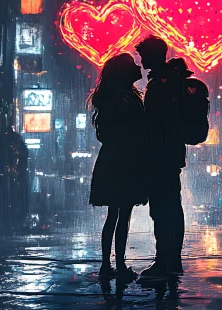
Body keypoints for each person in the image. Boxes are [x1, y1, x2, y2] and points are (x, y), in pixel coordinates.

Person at [135, 36, 191, 278]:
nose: (141, 60)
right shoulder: (171, 80)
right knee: (171, 208)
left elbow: (155, 123)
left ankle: (164, 260)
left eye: (144, 55)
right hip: (170, 155)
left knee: (162, 209)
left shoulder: (162, 83)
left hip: (160, 156)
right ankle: (171, 259)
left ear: (154, 55)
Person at [88, 53, 148, 279]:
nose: (138, 68)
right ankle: (117, 265)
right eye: (133, 66)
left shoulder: (116, 96)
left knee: (115, 214)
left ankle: (108, 265)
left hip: (115, 157)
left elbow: (104, 132)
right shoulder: (124, 98)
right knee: (121, 215)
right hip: (124, 160)